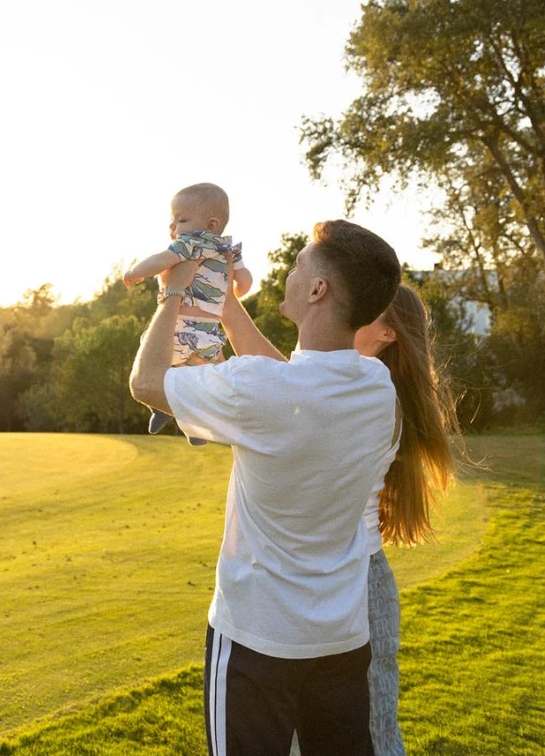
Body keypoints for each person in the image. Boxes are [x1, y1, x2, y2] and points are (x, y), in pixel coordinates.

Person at [130, 219, 402, 756]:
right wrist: (227, 305)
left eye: (301, 264)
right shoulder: (378, 388)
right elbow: (291, 389)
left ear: (318, 290)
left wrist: (176, 292)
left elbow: (145, 382)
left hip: (255, 642)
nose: (292, 271)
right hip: (342, 642)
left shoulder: (263, 390)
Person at [290, 284, 460, 756]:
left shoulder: (369, 393)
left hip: (355, 583)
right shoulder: (348, 380)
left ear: (386, 332)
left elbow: (286, 395)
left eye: (363, 308)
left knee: (371, 732)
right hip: (338, 578)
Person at [123, 183, 253, 443]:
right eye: (172, 219)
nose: (173, 227)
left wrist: (135, 272)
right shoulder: (229, 249)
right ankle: (198, 426)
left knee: (152, 352)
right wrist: (236, 292)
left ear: (211, 224)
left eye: (181, 219)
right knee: (210, 375)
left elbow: (162, 260)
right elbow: (245, 278)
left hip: (180, 327)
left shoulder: (191, 243)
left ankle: (162, 409)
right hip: (210, 332)